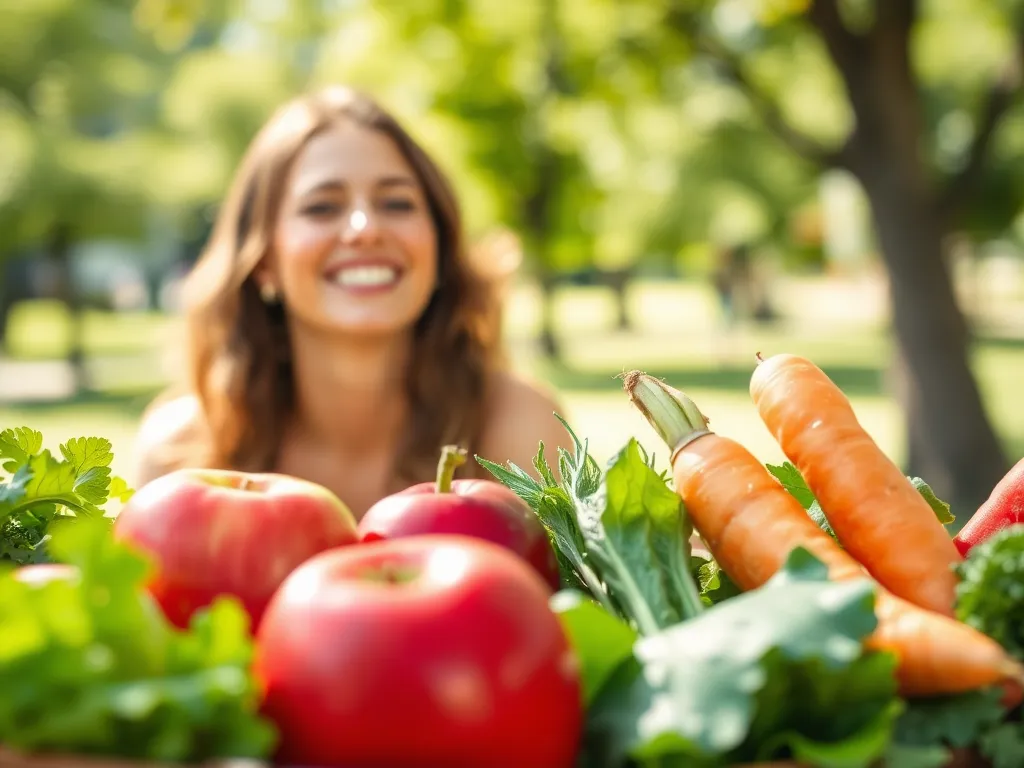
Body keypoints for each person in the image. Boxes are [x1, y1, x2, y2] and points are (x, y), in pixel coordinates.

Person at [133, 85, 573, 519]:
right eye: (322, 207)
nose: (365, 229)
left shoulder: (523, 432)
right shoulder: (178, 453)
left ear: (438, 248)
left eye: (397, 203)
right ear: (264, 260)